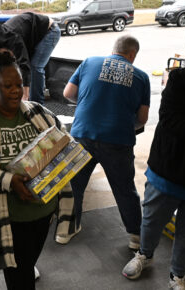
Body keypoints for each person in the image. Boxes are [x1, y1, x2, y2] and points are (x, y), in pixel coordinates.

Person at [0, 49, 77, 290]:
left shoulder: (39, 113)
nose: (15, 91)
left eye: (19, 84)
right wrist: (9, 180)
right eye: (7, 85)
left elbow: (66, 144)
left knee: (26, 263)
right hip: (8, 218)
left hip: (43, 213)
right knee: (19, 278)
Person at [122, 25, 185, 290]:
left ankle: (177, 275)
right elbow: (169, 120)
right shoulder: (182, 80)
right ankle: (144, 253)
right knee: (153, 218)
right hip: (170, 171)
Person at [61, 35, 150, 249]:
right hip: (118, 141)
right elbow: (143, 119)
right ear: (132, 55)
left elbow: (68, 94)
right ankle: (136, 237)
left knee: (74, 185)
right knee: (124, 189)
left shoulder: (90, 61)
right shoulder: (141, 76)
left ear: (114, 49)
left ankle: (66, 231)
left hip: (83, 134)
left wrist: (86, 104)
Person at [0, 12, 61, 104]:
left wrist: (24, 96)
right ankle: (32, 97)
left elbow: (24, 64)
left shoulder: (13, 38)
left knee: (35, 67)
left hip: (49, 31)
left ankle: (37, 105)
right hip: (32, 34)